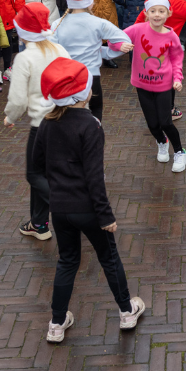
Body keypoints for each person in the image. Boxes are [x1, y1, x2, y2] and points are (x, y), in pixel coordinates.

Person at [33, 57, 144, 343]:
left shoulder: (46, 123)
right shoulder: (90, 125)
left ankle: (57, 323)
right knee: (109, 257)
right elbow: (94, 176)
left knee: (67, 261)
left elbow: (37, 168)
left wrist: (57, 195)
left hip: (60, 210)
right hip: (89, 209)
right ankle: (126, 311)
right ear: (84, 93)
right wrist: (105, 215)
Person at [4, 2, 71, 241]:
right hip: (65, 118)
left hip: (42, 126)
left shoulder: (24, 57)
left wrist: (10, 117)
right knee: (46, 172)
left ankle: (71, 208)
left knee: (34, 174)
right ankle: (39, 223)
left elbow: (18, 99)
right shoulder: (59, 50)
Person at [123, 0, 186, 170]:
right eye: (153, 11)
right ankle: (161, 142)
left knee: (166, 121)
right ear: (146, 12)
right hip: (142, 85)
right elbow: (115, 38)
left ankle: (180, 151)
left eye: (161, 11)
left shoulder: (171, 35)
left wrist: (177, 78)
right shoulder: (137, 29)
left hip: (163, 85)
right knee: (152, 123)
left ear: (168, 13)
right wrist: (120, 46)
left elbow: (177, 58)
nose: (157, 15)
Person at [50, 0, 132, 119]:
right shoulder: (98, 23)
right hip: (91, 77)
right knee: (95, 118)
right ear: (90, 2)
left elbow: (52, 52)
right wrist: (105, 52)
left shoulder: (57, 24)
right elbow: (124, 40)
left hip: (66, 78)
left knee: (68, 119)